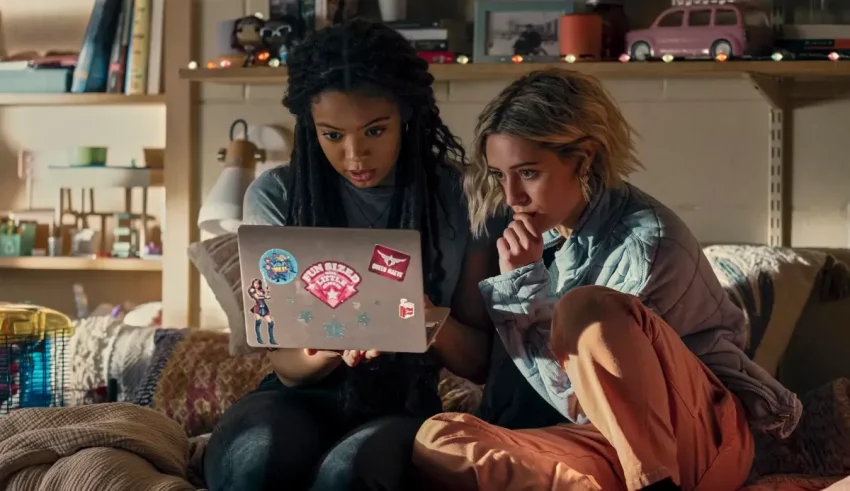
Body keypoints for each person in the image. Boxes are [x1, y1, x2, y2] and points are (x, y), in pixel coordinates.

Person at [412, 68, 803, 491]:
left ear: (584, 160)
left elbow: (581, 400)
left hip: (695, 438)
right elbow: (528, 393)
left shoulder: (645, 244)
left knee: (588, 308)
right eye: (499, 176)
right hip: (602, 445)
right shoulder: (538, 234)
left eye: (527, 173)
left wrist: (524, 284)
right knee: (441, 439)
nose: (511, 197)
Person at [203, 19, 499, 491]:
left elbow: (479, 361)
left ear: (405, 112)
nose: (355, 155)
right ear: (310, 127)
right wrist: (332, 345)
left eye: (375, 131)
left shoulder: (463, 196)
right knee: (256, 462)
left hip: (402, 405)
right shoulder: (277, 195)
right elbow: (286, 364)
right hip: (294, 397)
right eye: (332, 135)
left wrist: (427, 320)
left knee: (350, 473)